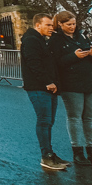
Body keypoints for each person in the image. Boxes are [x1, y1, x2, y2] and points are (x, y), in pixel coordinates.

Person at [21, 13, 67, 171]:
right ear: (37, 25)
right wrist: (47, 82)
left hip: (47, 87)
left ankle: (50, 153)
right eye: (47, 25)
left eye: (51, 25)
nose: (51, 28)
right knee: (44, 121)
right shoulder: (31, 40)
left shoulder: (40, 40)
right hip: (39, 88)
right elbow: (34, 64)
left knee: (48, 122)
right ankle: (46, 156)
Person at [48, 11, 91, 166]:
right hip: (71, 83)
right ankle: (78, 152)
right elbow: (56, 62)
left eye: (73, 24)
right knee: (74, 117)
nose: (72, 27)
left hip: (88, 81)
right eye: (68, 25)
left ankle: (90, 150)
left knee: (89, 118)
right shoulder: (56, 39)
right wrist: (74, 56)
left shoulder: (82, 35)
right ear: (60, 24)